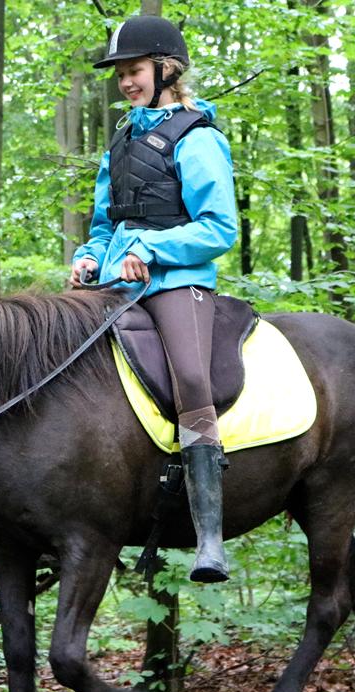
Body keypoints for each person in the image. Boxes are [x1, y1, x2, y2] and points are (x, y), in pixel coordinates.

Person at [70, 15, 239, 583]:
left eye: (134, 70)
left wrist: (153, 247)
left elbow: (219, 228)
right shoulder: (121, 141)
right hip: (116, 284)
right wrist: (90, 255)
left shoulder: (198, 139)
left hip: (177, 286)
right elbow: (103, 223)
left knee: (191, 378)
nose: (125, 82)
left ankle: (210, 537)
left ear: (166, 70)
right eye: (120, 74)